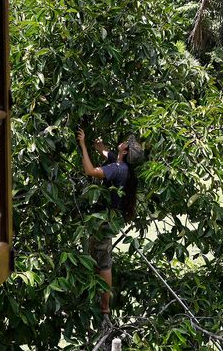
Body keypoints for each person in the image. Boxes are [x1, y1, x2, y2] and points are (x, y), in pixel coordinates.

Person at [76, 128, 143, 318]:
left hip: (103, 221)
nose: (123, 142)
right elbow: (108, 153)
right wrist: (100, 148)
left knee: (104, 263)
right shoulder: (124, 166)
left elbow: (90, 171)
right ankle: (99, 299)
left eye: (125, 144)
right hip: (109, 218)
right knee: (99, 259)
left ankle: (105, 309)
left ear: (125, 152)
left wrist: (83, 145)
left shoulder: (117, 169)